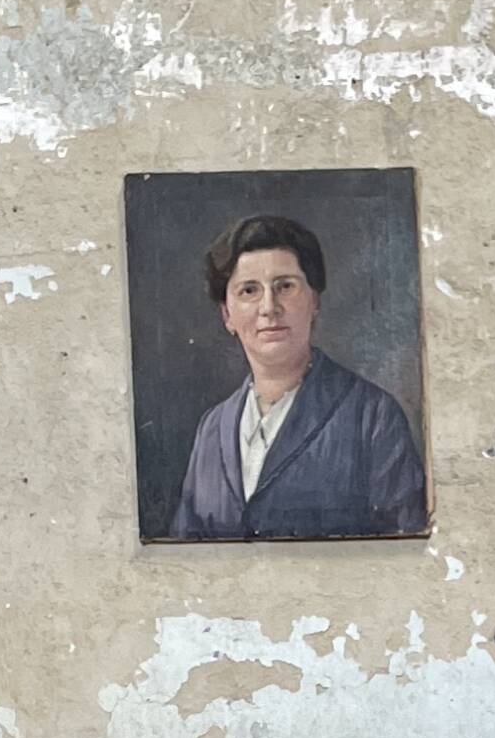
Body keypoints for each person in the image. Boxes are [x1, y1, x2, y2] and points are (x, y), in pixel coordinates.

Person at [166, 211, 428, 539]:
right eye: (249, 291)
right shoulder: (212, 428)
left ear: (314, 300)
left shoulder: (372, 416)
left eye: (285, 286)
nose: (269, 307)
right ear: (227, 315)